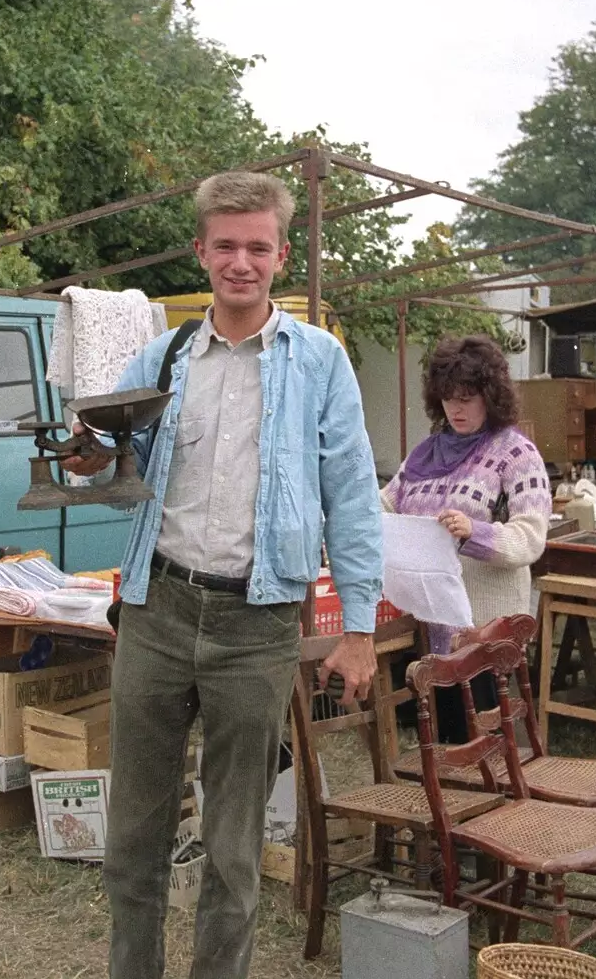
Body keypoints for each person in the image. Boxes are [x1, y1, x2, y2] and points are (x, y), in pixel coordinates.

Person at [64, 171, 383, 979]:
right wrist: (91, 459)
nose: (242, 261)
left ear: (281, 253)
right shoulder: (161, 356)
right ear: (203, 251)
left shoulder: (320, 361)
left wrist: (359, 628)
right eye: (226, 246)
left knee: (234, 850)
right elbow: (111, 480)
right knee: (133, 838)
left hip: (258, 624)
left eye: (259, 247)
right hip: (157, 610)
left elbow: (352, 496)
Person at [379, 335, 551, 736]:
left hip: (484, 629)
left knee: (484, 740)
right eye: (448, 397)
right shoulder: (424, 453)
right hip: (425, 623)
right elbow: (386, 506)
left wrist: (477, 532)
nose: (456, 408)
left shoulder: (516, 453)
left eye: (467, 397)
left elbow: (531, 537)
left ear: (490, 396)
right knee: (442, 739)